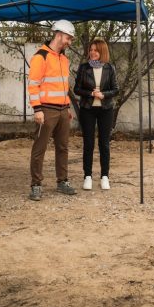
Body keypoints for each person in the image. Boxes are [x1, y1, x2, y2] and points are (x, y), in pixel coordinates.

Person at [28, 20, 76, 200]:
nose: (69, 42)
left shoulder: (64, 59)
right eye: (68, 38)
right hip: (46, 110)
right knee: (39, 148)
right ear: (59, 35)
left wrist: (67, 107)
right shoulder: (40, 57)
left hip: (63, 110)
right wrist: (37, 109)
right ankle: (36, 185)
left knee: (63, 147)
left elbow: (63, 86)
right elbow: (33, 85)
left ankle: (62, 181)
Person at [74, 38, 119, 191]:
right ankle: (87, 176)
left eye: (96, 50)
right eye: (91, 50)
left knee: (104, 144)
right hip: (87, 109)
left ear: (102, 51)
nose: (92, 52)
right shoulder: (84, 67)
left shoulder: (110, 68)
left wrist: (103, 95)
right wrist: (91, 93)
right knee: (88, 143)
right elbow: (77, 89)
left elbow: (116, 89)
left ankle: (105, 176)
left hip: (106, 110)